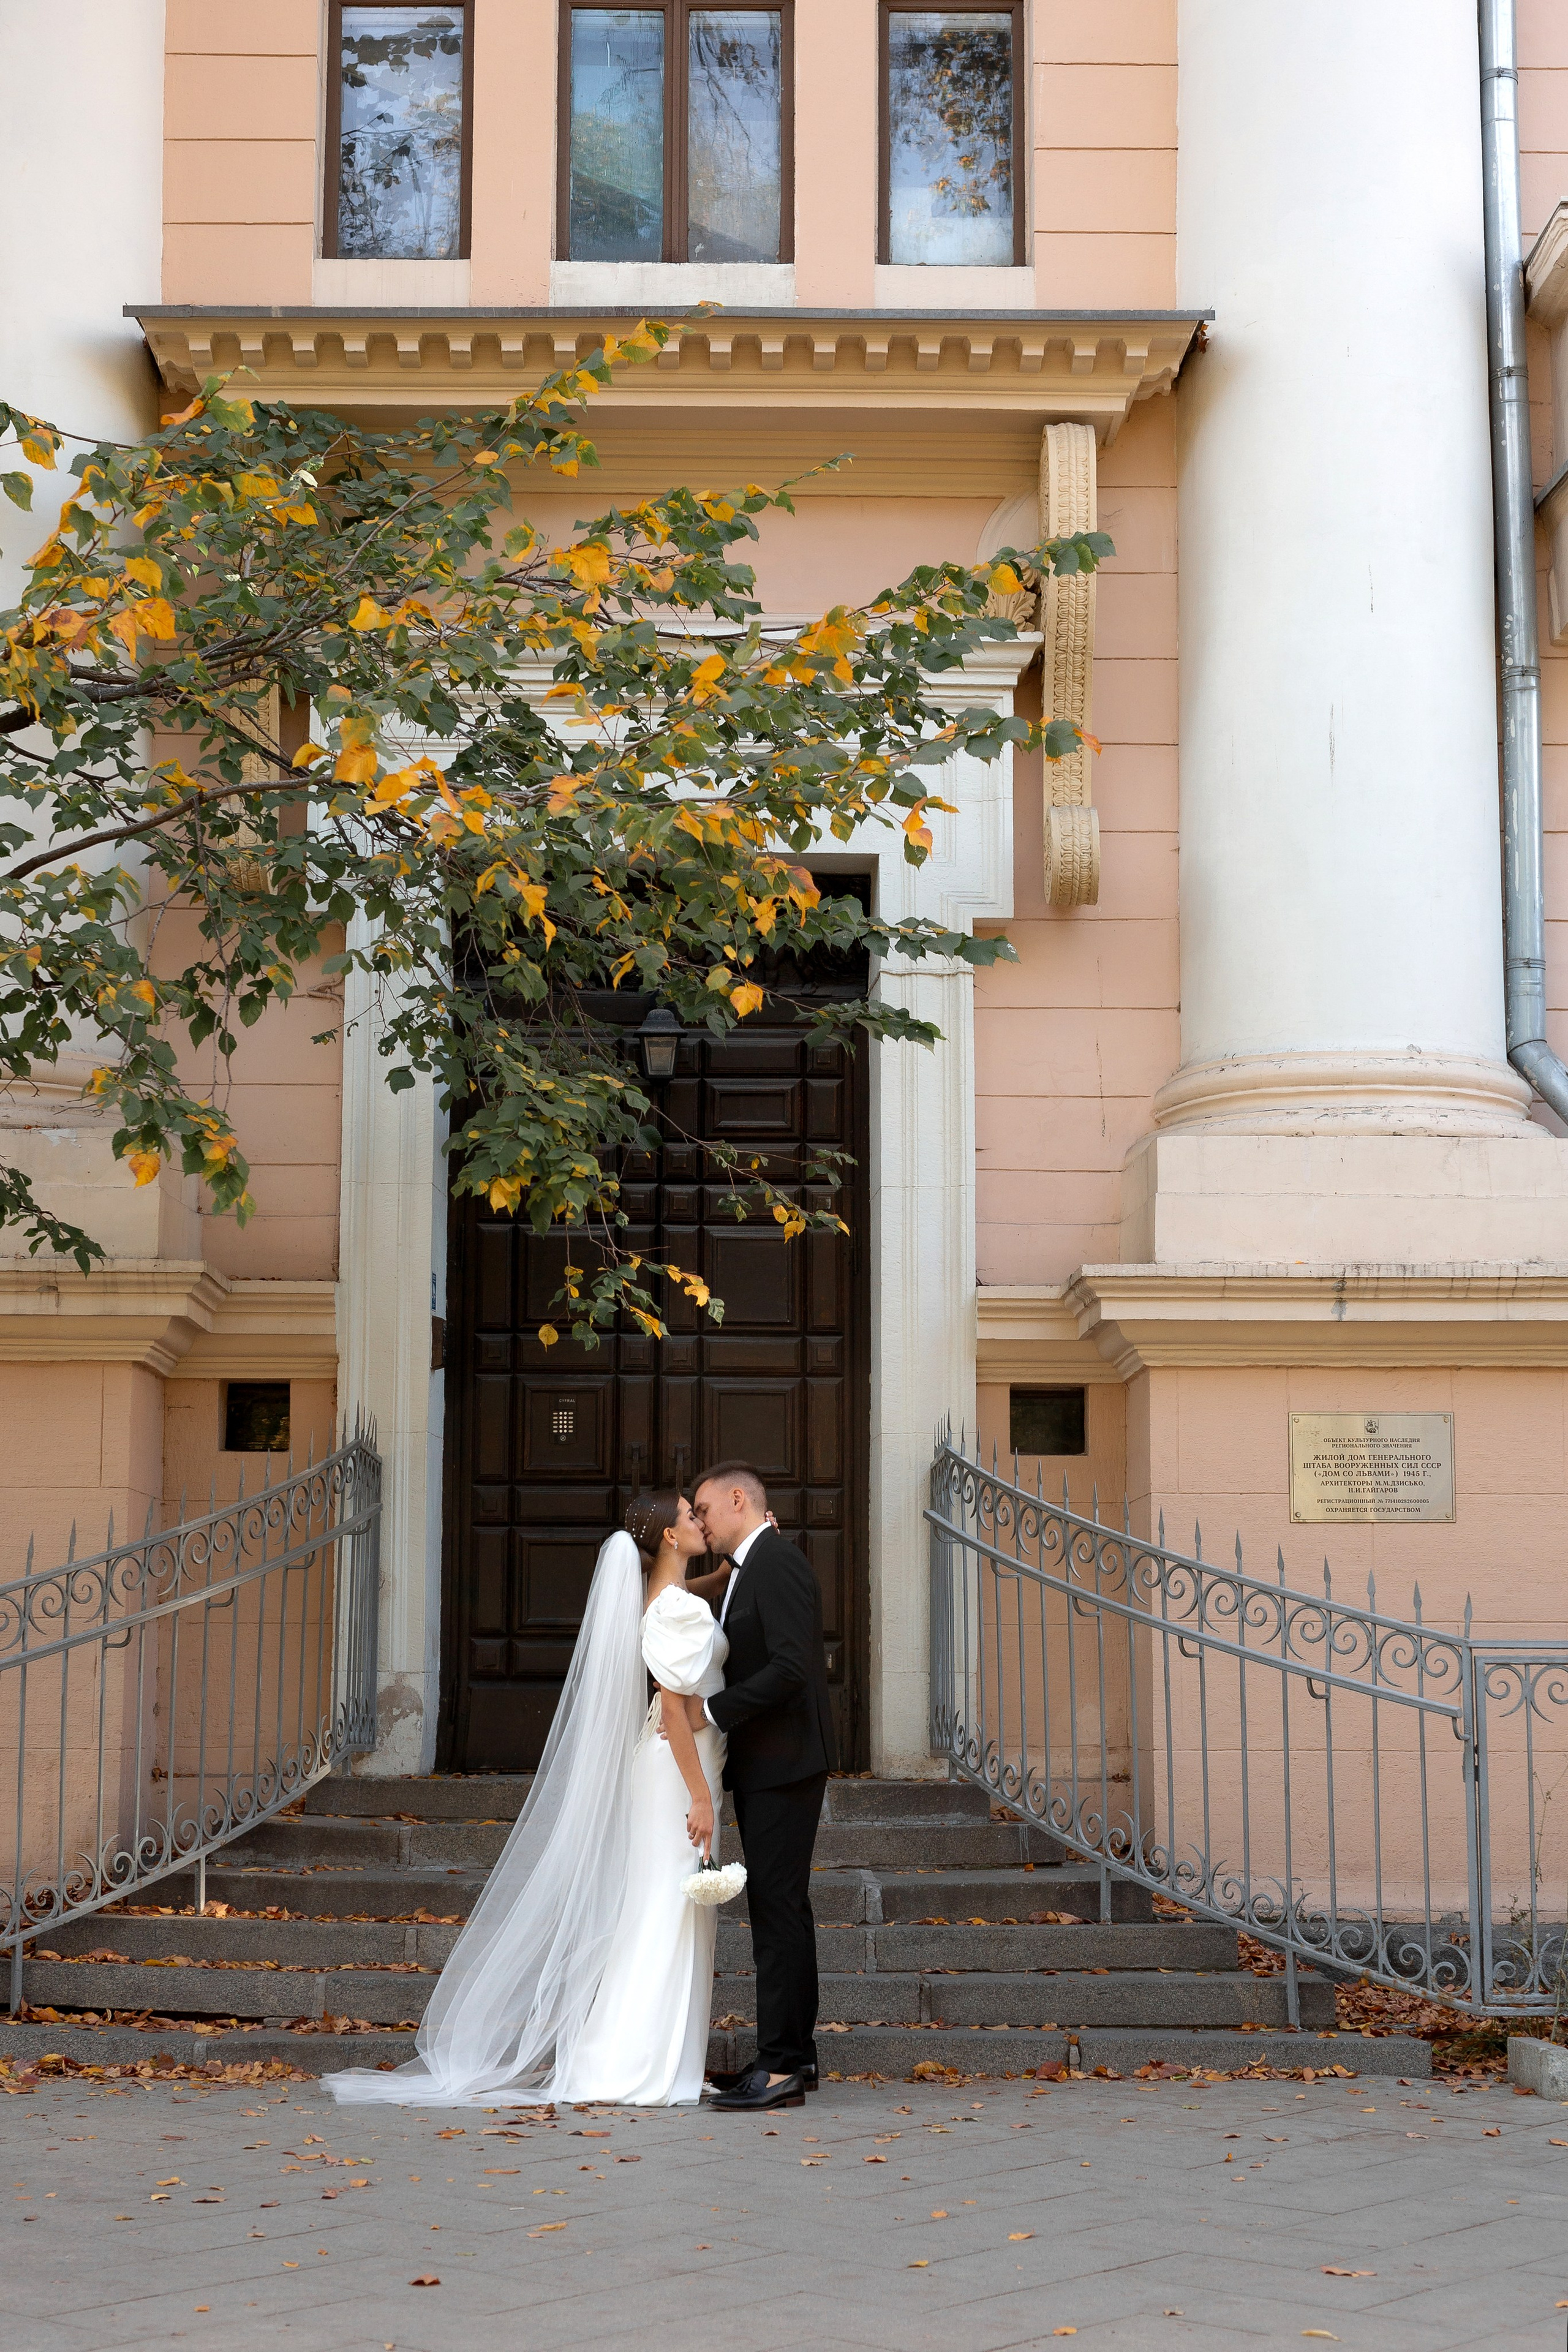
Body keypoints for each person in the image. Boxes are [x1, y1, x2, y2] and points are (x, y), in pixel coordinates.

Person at [325, 1490, 728, 2108]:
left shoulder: (659, 1597)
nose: (700, 1520)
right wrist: (699, 1797)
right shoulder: (673, 1607)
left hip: (673, 1765)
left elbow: (678, 1605)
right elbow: (674, 1710)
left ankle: (641, 2054)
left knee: (660, 1905)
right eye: (690, 1515)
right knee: (665, 1911)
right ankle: (638, 2062)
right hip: (680, 1771)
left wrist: (719, 1578)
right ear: (670, 1536)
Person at [689, 1460, 837, 2113]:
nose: (700, 1522)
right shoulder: (751, 1565)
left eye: (703, 1510)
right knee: (783, 1909)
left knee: (776, 1914)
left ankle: (779, 2069)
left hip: (784, 1763)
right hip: (771, 1764)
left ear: (738, 1499)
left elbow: (791, 1668)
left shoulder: (775, 1562)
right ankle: (794, 2055)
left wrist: (711, 1712)